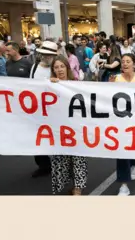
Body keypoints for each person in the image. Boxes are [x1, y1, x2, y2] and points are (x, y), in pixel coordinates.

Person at [109, 53, 135, 195]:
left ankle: (134, 163)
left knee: (134, 145)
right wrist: (109, 87)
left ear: (134, 64)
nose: (125, 64)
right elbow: (107, 96)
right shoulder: (116, 79)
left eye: (128, 61)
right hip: (120, 121)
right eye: (123, 61)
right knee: (122, 151)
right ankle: (124, 185)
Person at [49, 56, 88, 195]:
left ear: (67, 67)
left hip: (76, 127)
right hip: (58, 128)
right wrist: (51, 84)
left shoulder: (76, 84)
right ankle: (62, 184)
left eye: (62, 66)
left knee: (78, 157)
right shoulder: (49, 85)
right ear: (53, 70)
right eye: (56, 67)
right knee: (60, 158)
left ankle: (78, 187)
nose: (59, 70)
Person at [29, 41, 59, 178]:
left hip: (55, 108)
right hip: (38, 107)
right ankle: (43, 165)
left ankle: (60, 163)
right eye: (45, 55)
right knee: (38, 136)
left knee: (57, 135)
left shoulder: (57, 68)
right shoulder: (35, 67)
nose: (48, 58)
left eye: (50, 55)